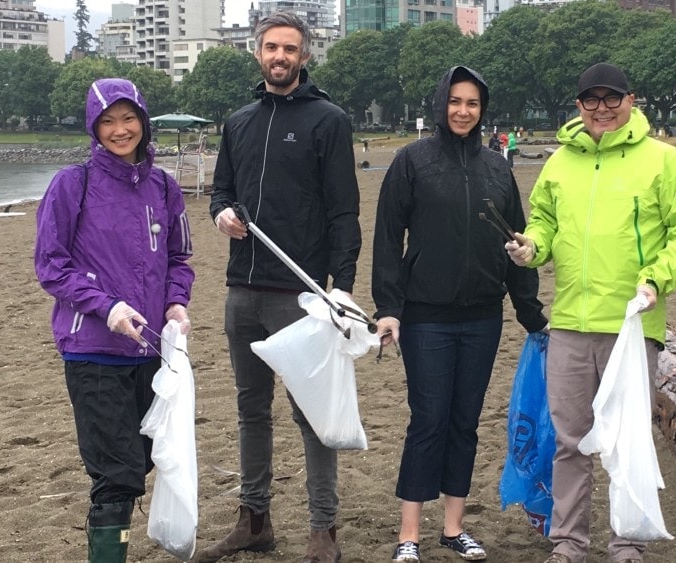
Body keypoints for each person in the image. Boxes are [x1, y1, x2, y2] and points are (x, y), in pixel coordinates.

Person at [504, 62, 676, 563]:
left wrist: (657, 278)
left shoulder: (662, 160)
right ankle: (568, 542)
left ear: (631, 100)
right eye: (591, 100)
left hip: (634, 326)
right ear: (579, 106)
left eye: (611, 98)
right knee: (570, 441)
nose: (602, 109)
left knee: (624, 441)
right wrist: (532, 247)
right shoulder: (559, 163)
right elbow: (544, 223)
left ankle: (626, 542)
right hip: (570, 322)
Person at [195, 11, 361, 563]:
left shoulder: (328, 120)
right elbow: (220, 194)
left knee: (312, 414)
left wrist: (343, 289)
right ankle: (255, 518)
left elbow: (344, 210)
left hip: (301, 293)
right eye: (271, 47)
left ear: (305, 57)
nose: (280, 57)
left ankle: (323, 531)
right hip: (242, 289)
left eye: (290, 49)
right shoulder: (239, 121)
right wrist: (222, 217)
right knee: (250, 409)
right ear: (257, 52)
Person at [372, 65, 548, 562]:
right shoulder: (412, 161)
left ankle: (453, 527)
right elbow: (388, 239)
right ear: (440, 104)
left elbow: (515, 241)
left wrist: (530, 312)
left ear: (482, 109)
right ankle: (410, 534)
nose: (463, 111)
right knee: (428, 419)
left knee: (465, 422)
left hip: (481, 317)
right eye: (455, 101)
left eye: (472, 103)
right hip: (425, 315)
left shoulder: (498, 167)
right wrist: (388, 308)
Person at [34, 77, 195, 562]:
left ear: (144, 123)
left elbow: (179, 258)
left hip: (150, 351)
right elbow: (50, 266)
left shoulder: (164, 186)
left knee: (143, 461)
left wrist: (175, 303)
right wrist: (107, 306)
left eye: (128, 119)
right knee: (116, 472)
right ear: (93, 126)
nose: (120, 130)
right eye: (108, 121)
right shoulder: (72, 184)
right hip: (93, 351)